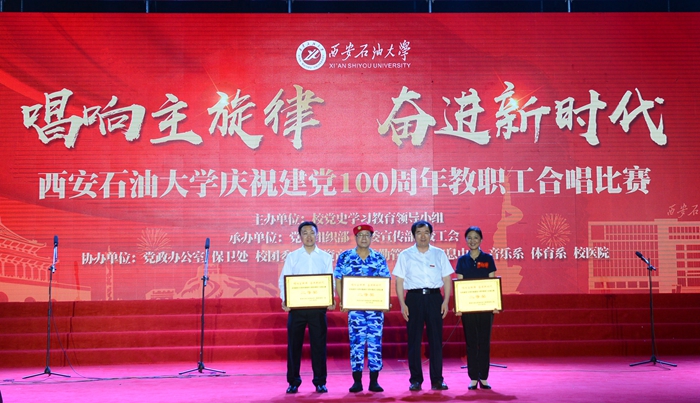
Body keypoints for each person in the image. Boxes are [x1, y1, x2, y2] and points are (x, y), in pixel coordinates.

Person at [392, 220, 453, 392]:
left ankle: (437, 380)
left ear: (431, 234)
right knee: (414, 341)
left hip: (434, 298)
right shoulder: (405, 255)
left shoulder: (439, 254)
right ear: (414, 235)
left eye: (426, 232)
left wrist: (446, 301)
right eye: (419, 233)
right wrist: (402, 304)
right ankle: (416, 380)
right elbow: (399, 281)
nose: (423, 236)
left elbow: (447, 279)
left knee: (436, 341)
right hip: (414, 299)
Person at [278, 221, 334, 394]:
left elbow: (330, 280)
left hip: (318, 308)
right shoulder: (292, 257)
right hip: (297, 309)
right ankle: (293, 381)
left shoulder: (325, 257)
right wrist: (286, 300)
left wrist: (331, 298)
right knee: (294, 346)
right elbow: (283, 280)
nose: (309, 236)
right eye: (305, 233)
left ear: (317, 235)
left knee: (319, 346)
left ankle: (320, 381)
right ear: (300, 236)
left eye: (312, 232)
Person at [334, 223, 390, 393]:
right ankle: (357, 381)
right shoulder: (345, 257)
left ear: (371, 238)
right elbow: (338, 280)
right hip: (355, 309)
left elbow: (385, 281)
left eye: (367, 235)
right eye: (360, 235)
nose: (364, 238)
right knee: (356, 343)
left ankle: (374, 381)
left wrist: (384, 301)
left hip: (375, 310)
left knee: (374, 343)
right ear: (355, 238)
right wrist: (343, 301)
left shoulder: (378, 257)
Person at [455, 226, 498, 390]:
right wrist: (459, 306)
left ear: (481, 239)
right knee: (471, 342)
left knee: (484, 342)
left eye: (476, 237)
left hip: (486, 308)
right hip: (468, 308)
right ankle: (473, 377)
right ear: (466, 240)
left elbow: (492, 282)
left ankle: (484, 377)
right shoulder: (462, 260)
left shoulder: (488, 258)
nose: (472, 241)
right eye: (469, 238)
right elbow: (459, 284)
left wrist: (495, 303)